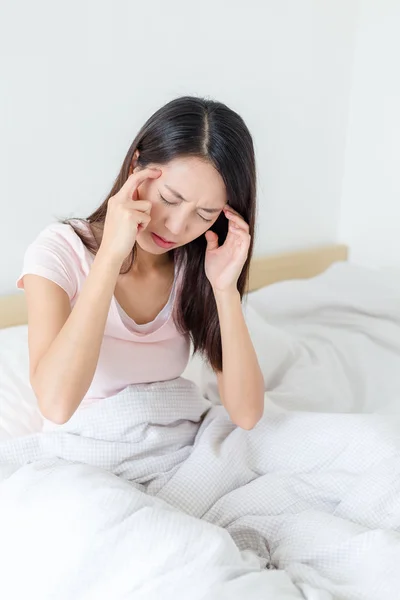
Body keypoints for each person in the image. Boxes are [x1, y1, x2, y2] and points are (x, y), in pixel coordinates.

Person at [17, 96, 264, 430]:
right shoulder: (60, 252)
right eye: (169, 199)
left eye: (204, 214)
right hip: (86, 451)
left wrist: (225, 291)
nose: (177, 227)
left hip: (174, 442)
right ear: (136, 166)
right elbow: (56, 405)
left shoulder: (196, 264)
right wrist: (108, 258)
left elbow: (247, 415)